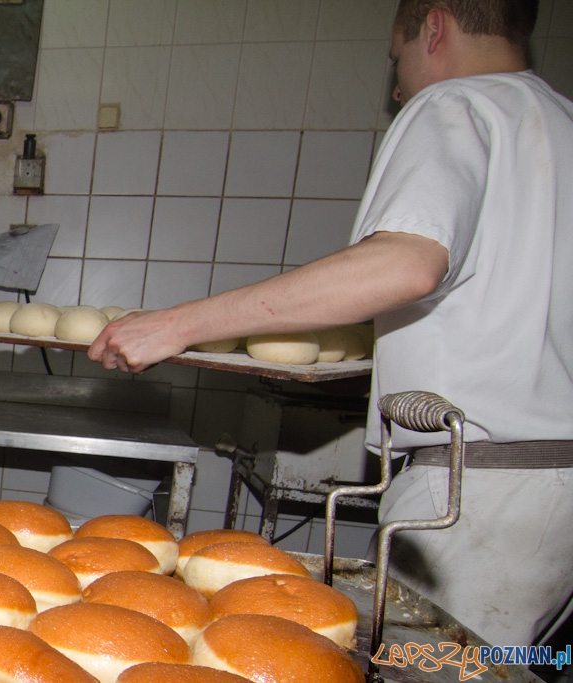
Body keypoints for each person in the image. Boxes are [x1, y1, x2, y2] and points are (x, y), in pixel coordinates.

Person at [89, 0, 572, 649]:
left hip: (478, 494)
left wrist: (176, 324)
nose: (398, 87)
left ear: (434, 27)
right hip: (554, 493)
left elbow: (407, 264)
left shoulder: (455, 106)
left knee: (421, 666)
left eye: (396, 57)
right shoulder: (561, 124)